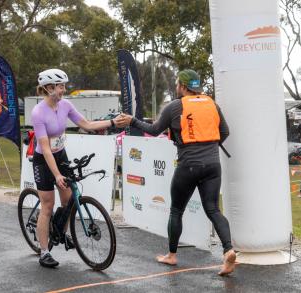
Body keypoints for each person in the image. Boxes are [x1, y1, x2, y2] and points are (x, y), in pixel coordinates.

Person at [120, 69, 237, 276]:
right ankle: (228, 249)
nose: (176, 88)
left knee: (176, 211)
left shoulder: (175, 106)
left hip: (188, 165)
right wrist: (208, 145)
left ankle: (172, 255)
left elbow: (155, 129)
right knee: (213, 209)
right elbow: (225, 132)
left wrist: (132, 121)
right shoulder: (212, 104)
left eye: (177, 84)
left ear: (183, 87)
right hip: (212, 165)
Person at [31, 69, 125, 268]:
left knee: (68, 200)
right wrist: (56, 174)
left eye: (64, 86)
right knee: (47, 205)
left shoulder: (65, 105)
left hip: (60, 154)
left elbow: (87, 124)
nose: (63, 90)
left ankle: (61, 233)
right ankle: (44, 251)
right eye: (60, 86)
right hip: (44, 159)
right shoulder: (38, 112)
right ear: (48, 88)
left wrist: (112, 122)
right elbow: (45, 148)